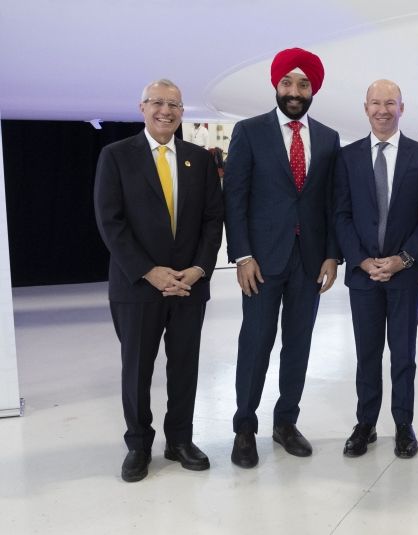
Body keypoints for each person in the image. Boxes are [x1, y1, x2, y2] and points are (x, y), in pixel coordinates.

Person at [94, 79, 224, 482]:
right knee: (137, 368)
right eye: (157, 103)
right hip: (137, 285)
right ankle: (138, 444)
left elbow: (211, 219)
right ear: (142, 107)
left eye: (173, 104)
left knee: (184, 365)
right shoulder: (115, 155)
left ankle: (180, 440)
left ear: (183, 112)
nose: (165, 111)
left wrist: (200, 268)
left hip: (189, 285)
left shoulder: (199, 159)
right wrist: (150, 271)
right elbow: (110, 222)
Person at [224, 48, 340, 468]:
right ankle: (243, 427)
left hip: (309, 262)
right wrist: (242, 256)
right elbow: (234, 197)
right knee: (255, 343)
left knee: (299, 344)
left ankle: (286, 422)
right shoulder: (249, 131)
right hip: (261, 263)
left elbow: (331, 202)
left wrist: (332, 255)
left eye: (303, 84)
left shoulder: (328, 138)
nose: (295, 91)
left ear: (313, 89)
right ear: (276, 85)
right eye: (288, 83)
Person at [334, 80, 418, 459]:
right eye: (376, 103)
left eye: (390, 103)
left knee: (403, 354)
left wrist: (403, 259)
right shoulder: (347, 158)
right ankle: (365, 423)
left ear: (402, 108)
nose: (383, 110)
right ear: (365, 108)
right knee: (366, 354)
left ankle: (402, 424)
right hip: (364, 274)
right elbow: (341, 215)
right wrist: (362, 260)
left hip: (406, 274)